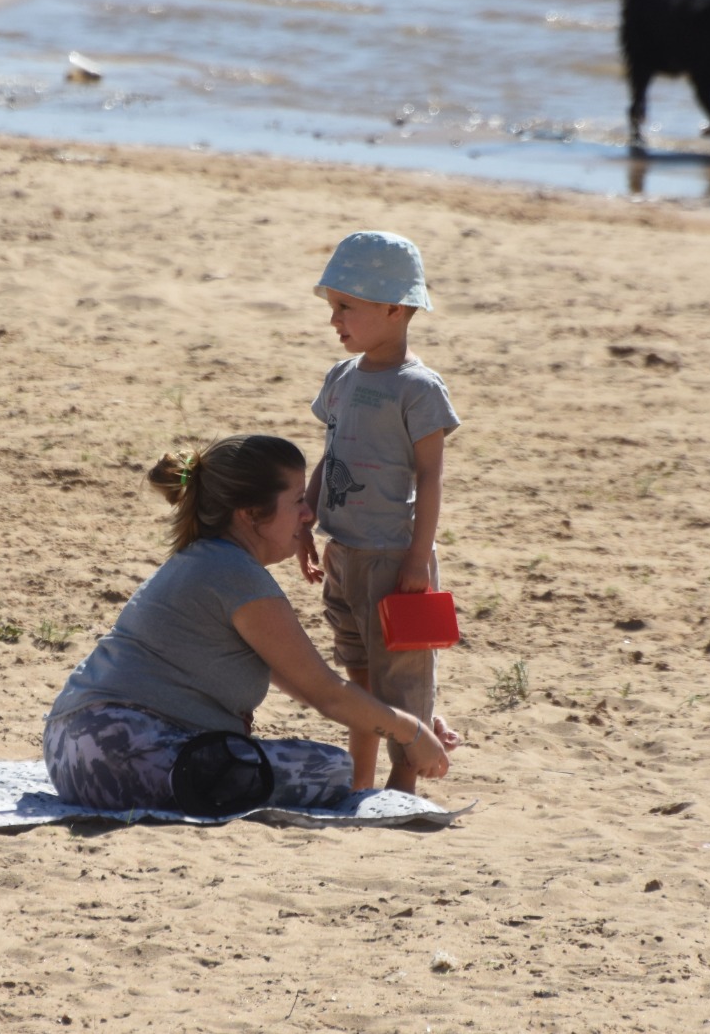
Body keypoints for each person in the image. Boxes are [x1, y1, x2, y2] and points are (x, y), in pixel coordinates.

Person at [43, 434, 451, 814]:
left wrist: (407, 720)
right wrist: (412, 732)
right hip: (116, 753)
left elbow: (309, 689)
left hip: (74, 751)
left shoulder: (208, 559)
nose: (308, 513)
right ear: (251, 514)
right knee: (327, 768)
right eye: (297, 500)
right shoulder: (236, 575)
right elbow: (327, 694)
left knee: (302, 765)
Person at [298, 231, 461, 793]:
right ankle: (361, 784)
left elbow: (431, 476)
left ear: (394, 308)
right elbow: (332, 453)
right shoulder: (341, 378)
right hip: (342, 552)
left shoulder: (418, 388)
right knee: (360, 678)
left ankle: (401, 788)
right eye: (332, 306)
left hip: (393, 558)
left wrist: (418, 558)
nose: (334, 319)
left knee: (403, 682)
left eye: (346, 306)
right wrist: (306, 518)